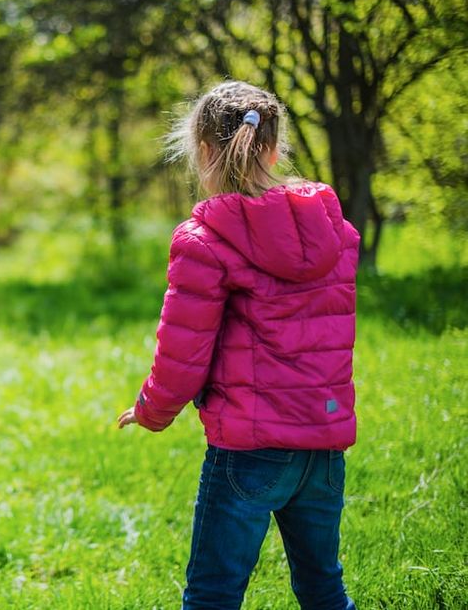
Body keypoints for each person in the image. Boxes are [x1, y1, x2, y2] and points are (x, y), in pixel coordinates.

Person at [116, 81, 359, 610]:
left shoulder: (203, 240)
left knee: (212, 595)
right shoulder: (336, 233)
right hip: (322, 443)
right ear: (274, 149)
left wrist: (150, 411)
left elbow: (183, 354)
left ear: (203, 152)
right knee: (323, 587)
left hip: (248, 450)